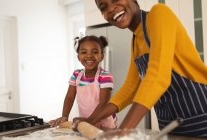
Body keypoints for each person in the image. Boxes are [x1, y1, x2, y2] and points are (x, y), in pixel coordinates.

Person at [75, 0, 207, 138]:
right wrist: (91, 120)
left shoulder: (159, 14)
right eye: (103, 7)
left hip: (201, 118)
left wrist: (122, 132)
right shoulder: (135, 40)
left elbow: (158, 77)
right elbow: (130, 89)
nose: (111, 8)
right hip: (170, 124)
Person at [49, 35, 117, 129]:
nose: (89, 55)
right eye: (84, 52)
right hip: (85, 123)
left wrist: (90, 120)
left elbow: (103, 103)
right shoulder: (76, 75)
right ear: (78, 57)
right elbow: (70, 97)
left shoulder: (105, 76)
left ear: (101, 56)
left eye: (95, 52)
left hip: (104, 124)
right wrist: (64, 116)